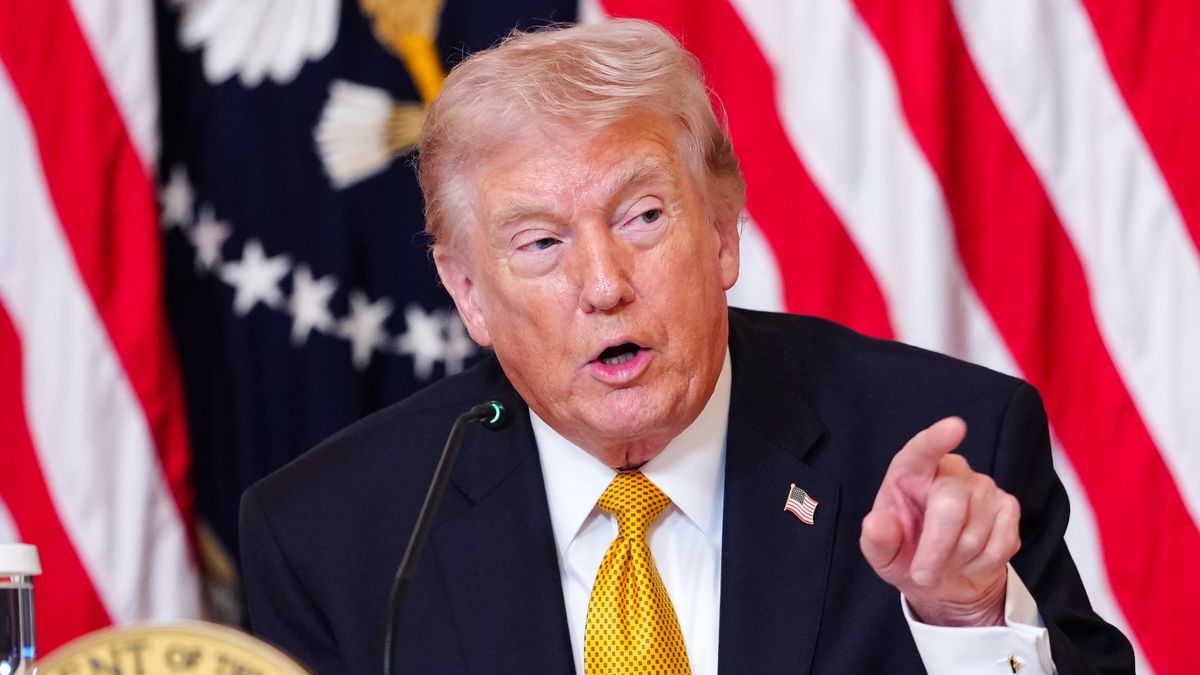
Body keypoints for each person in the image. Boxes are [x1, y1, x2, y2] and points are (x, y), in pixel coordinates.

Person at [239, 19, 1133, 675]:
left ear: (722, 233)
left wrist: (966, 618)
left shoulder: (939, 454)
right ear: (469, 291)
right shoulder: (334, 535)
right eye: (541, 242)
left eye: (642, 217)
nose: (603, 283)